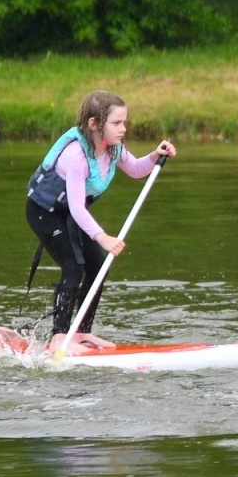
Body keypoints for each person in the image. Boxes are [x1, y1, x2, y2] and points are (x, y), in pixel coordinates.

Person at [25, 90, 175, 354]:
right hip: (44, 213)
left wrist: (155, 156)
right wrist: (102, 236)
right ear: (95, 125)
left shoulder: (112, 149)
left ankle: (81, 332)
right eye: (116, 123)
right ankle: (59, 337)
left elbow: (137, 169)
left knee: (97, 266)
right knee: (73, 266)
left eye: (124, 122)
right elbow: (76, 207)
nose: (123, 129)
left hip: (71, 213)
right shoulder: (76, 157)